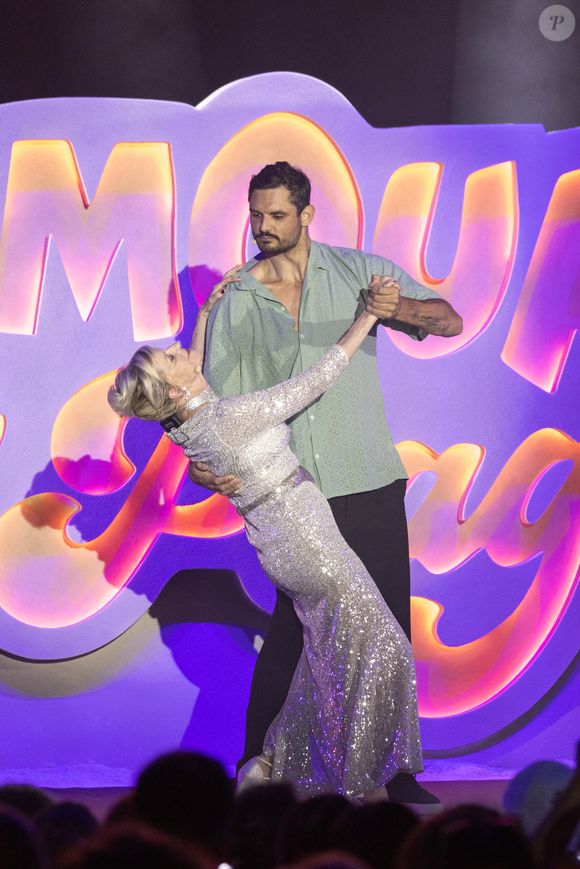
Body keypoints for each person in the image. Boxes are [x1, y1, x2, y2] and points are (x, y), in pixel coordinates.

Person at [190, 161, 463, 807]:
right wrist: (204, 466)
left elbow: (447, 319)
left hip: (365, 474)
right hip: (287, 489)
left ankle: (391, 770)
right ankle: (256, 770)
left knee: (388, 624)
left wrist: (404, 307)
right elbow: (219, 403)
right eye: (256, 214)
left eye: (277, 215)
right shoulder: (237, 299)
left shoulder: (355, 272)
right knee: (294, 626)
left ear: (306, 215)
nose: (263, 227)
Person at [108, 274, 424, 797]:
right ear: (173, 387)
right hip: (307, 540)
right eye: (170, 358)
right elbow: (314, 381)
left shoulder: (188, 426)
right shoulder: (230, 419)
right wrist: (367, 317)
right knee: (383, 647)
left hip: (283, 543)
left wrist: (207, 314)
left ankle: (279, 765)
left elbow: (193, 368)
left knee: (328, 656)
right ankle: (357, 783)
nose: (177, 349)